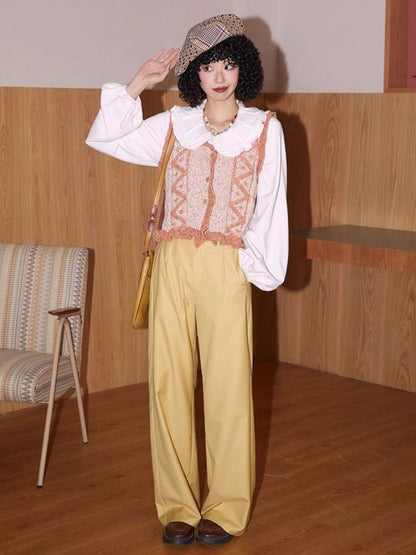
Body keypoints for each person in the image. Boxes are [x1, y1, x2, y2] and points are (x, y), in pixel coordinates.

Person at [86, 13, 288, 546]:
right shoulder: (176, 124)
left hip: (227, 265)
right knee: (167, 383)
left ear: (243, 68)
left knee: (228, 386)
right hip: (173, 260)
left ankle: (226, 507)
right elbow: (106, 138)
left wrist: (255, 268)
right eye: (206, 66)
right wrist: (139, 83)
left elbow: (270, 205)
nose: (218, 77)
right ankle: (176, 504)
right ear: (194, 74)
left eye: (228, 64)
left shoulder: (265, 129)